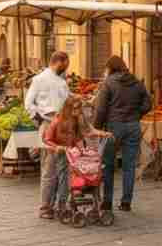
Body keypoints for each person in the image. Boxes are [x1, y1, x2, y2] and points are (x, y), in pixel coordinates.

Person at [93, 56, 152, 212]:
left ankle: (107, 202)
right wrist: (137, 114)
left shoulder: (108, 83)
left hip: (113, 127)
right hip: (133, 126)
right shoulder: (137, 82)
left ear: (110, 68)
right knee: (129, 165)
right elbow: (148, 104)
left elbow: (101, 109)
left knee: (108, 165)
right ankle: (126, 202)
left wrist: (96, 128)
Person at [42, 95, 112, 218]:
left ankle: (62, 206)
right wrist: (57, 147)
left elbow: (84, 133)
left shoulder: (76, 120)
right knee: (52, 180)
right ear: (68, 108)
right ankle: (46, 209)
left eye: (79, 108)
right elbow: (46, 139)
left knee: (65, 181)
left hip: (69, 154)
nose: (78, 111)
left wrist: (100, 135)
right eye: (75, 108)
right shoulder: (57, 121)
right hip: (55, 154)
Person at [25, 51, 72, 218]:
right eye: (67, 63)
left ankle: (61, 205)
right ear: (60, 61)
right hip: (49, 125)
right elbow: (28, 103)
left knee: (63, 168)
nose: (67, 67)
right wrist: (40, 119)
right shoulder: (39, 79)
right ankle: (45, 207)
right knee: (49, 168)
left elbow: (67, 102)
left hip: (64, 128)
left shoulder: (62, 82)